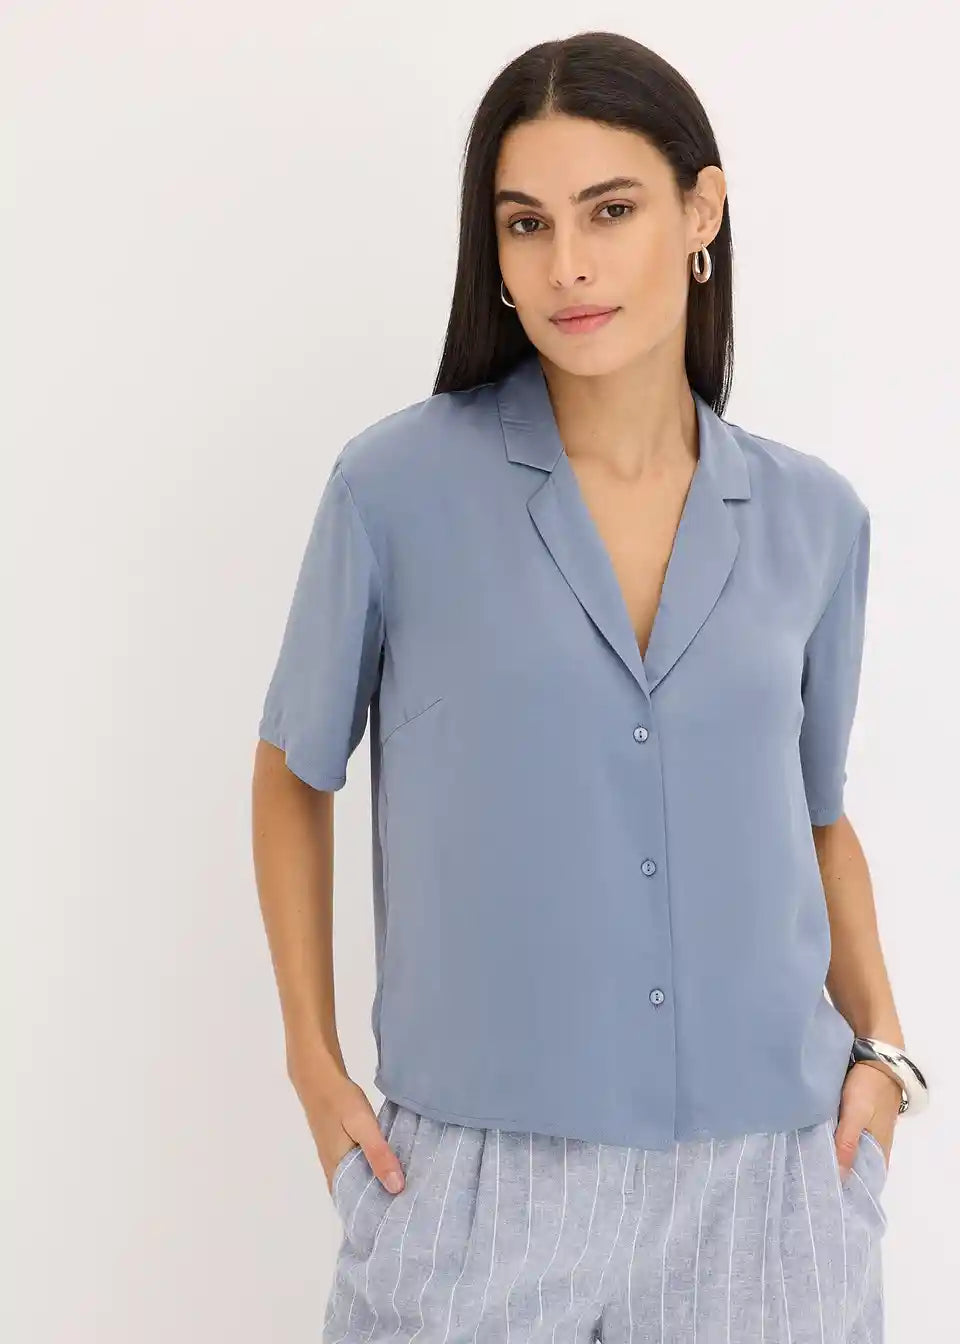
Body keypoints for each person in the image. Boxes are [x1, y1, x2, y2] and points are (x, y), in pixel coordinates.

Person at [251, 30, 927, 1344]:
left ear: (701, 211)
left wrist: (884, 1053)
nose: (565, 263)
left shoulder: (816, 520)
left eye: (609, 211)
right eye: (526, 223)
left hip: (770, 1187)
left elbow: (817, 817)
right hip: (473, 1189)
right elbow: (293, 770)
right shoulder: (394, 490)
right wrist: (311, 1062)